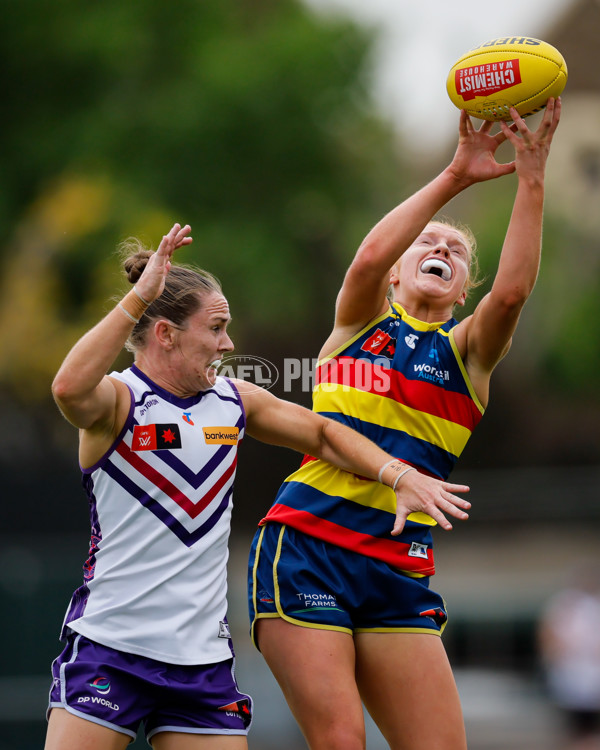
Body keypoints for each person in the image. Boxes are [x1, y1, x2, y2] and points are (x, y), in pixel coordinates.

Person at [46, 223, 471, 750]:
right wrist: (139, 298)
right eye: (217, 327)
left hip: (200, 663)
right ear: (166, 334)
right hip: (111, 646)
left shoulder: (234, 401)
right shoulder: (117, 403)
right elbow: (67, 388)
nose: (229, 343)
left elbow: (323, 433)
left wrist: (399, 474)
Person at [248, 98, 562, 750]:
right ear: (398, 271)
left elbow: (510, 294)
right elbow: (365, 258)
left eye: (455, 250)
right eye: (429, 241)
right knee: (341, 740)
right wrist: (456, 176)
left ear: (460, 292)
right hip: (308, 549)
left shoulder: (467, 356)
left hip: (396, 564)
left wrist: (530, 179)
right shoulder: (358, 324)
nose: (442, 245)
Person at [538, 562, 600, 750]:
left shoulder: (594, 605)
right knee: (576, 728)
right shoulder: (565, 604)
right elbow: (548, 634)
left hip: (592, 675)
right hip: (572, 675)